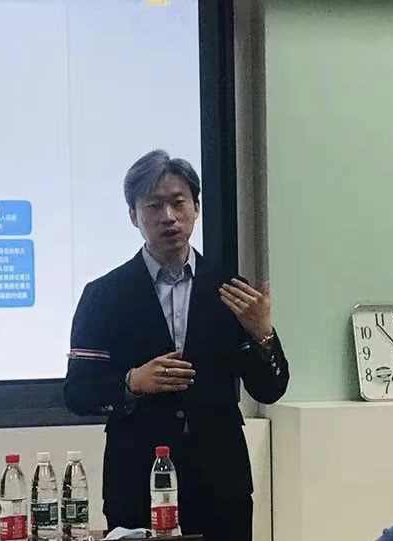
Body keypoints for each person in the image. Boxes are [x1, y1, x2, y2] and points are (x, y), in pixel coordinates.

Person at [63, 150, 289, 541]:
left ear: (196, 208)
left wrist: (262, 336)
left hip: (221, 485)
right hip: (136, 481)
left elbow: (270, 389)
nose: (168, 216)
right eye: (154, 206)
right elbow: (77, 392)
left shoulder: (230, 290)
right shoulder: (103, 295)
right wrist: (132, 382)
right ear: (133, 216)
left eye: (178, 202)